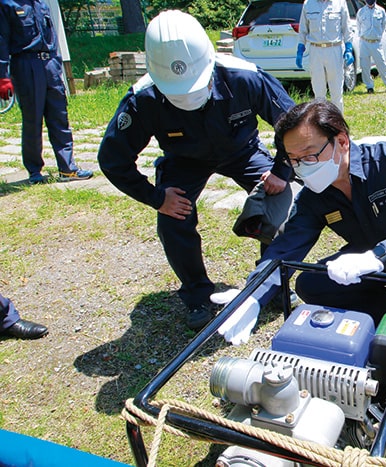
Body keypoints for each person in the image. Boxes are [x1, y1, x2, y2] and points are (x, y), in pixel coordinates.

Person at [97, 10, 296, 331]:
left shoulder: (244, 76)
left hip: (241, 150)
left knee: (282, 204)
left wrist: (280, 171)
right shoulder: (143, 98)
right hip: (184, 159)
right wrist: (156, 197)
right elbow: (112, 159)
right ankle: (196, 294)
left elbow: (294, 123)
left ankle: (269, 283)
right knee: (173, 220)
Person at [213, 100, 386, 345]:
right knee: (311, 284)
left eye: (309, 156)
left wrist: (379, 256)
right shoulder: (313, 194)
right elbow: (288, 245)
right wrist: (253, 295)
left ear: (341, 141)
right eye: (294, 161)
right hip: (366, 259)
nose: (302, 168)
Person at [0, 0, 93, 184]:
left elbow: (51, 35)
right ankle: (35, 171)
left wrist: (56, 63)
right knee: (33, 119)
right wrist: (3, 76)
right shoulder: (7, 4)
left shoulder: (41, 3)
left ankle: (67, 168)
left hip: (49, 63)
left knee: (59, 116)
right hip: (26, 64)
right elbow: (1, 40)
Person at [296, 0, 354, 113]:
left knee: (336, 92)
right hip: (315, 50)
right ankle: (322, 125)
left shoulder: (339, 3)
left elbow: (346, 28)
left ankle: (338, 125)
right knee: (318, 93)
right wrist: (300, 50)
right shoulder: (308, 4)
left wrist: (348, 49)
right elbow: (303, 30)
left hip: (334, 49)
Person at [357, 0, 386, 94]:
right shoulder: (361, 12)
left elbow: (383, 25)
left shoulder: (381, 11)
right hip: (364, 42)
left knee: (381, 64)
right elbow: (359, 27)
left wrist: (376, 37)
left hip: (376, 42)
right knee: (365, 66)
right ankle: (369, 87)